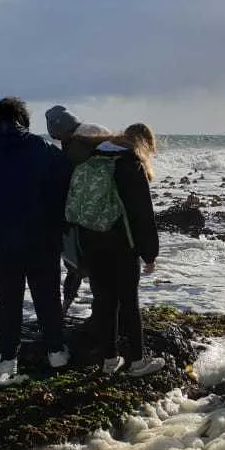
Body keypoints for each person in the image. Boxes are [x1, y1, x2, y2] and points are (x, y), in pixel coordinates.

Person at [0, 96, 71, 374]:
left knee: (8, 300)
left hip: (0, 237)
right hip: (43, 236)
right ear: (23, 120)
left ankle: (8, 358)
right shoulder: (43, 148)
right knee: (48, 296)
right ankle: (56, 351)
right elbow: (65, 188)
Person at [65, 122, 164, 377]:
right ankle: (138, 361)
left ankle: (110, 359)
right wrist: (149, 252)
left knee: (103, 301)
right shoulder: (129, 163)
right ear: (143, 143)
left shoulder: (92, 157)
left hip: (90, 241)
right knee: (128, 302)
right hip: (121, 244)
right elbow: (142, 213)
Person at [45, 105, 103, 315]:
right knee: (99, 266)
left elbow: (69, 179)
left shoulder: (76, 145)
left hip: (85, 213)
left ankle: (66, 308)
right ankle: (103, 312)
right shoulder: (93, 130)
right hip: (106, 210)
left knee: (75, 262)